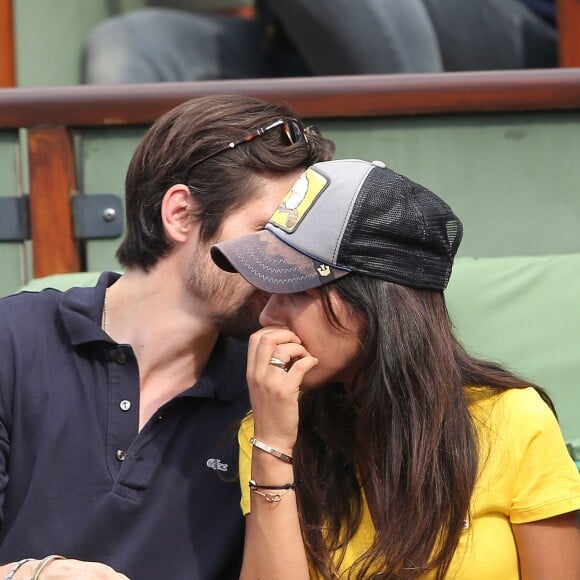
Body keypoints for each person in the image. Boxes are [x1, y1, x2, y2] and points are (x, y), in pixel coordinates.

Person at [0, 95, 334, 579]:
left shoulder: (276, 388)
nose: (284, 263)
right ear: (179, 214)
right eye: (267, 231)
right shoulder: (14, 341)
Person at [210, 158, 580, 579]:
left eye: (297, 291)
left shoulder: (512, 419)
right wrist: (273, 449)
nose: (268, 316)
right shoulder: (268, 434)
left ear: (378, 304)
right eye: (268, 292)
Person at [82, 0, 557, 85]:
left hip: (511, 32)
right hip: (290, 42)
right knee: (129, 41)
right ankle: (140, 269)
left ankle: (404, 211)